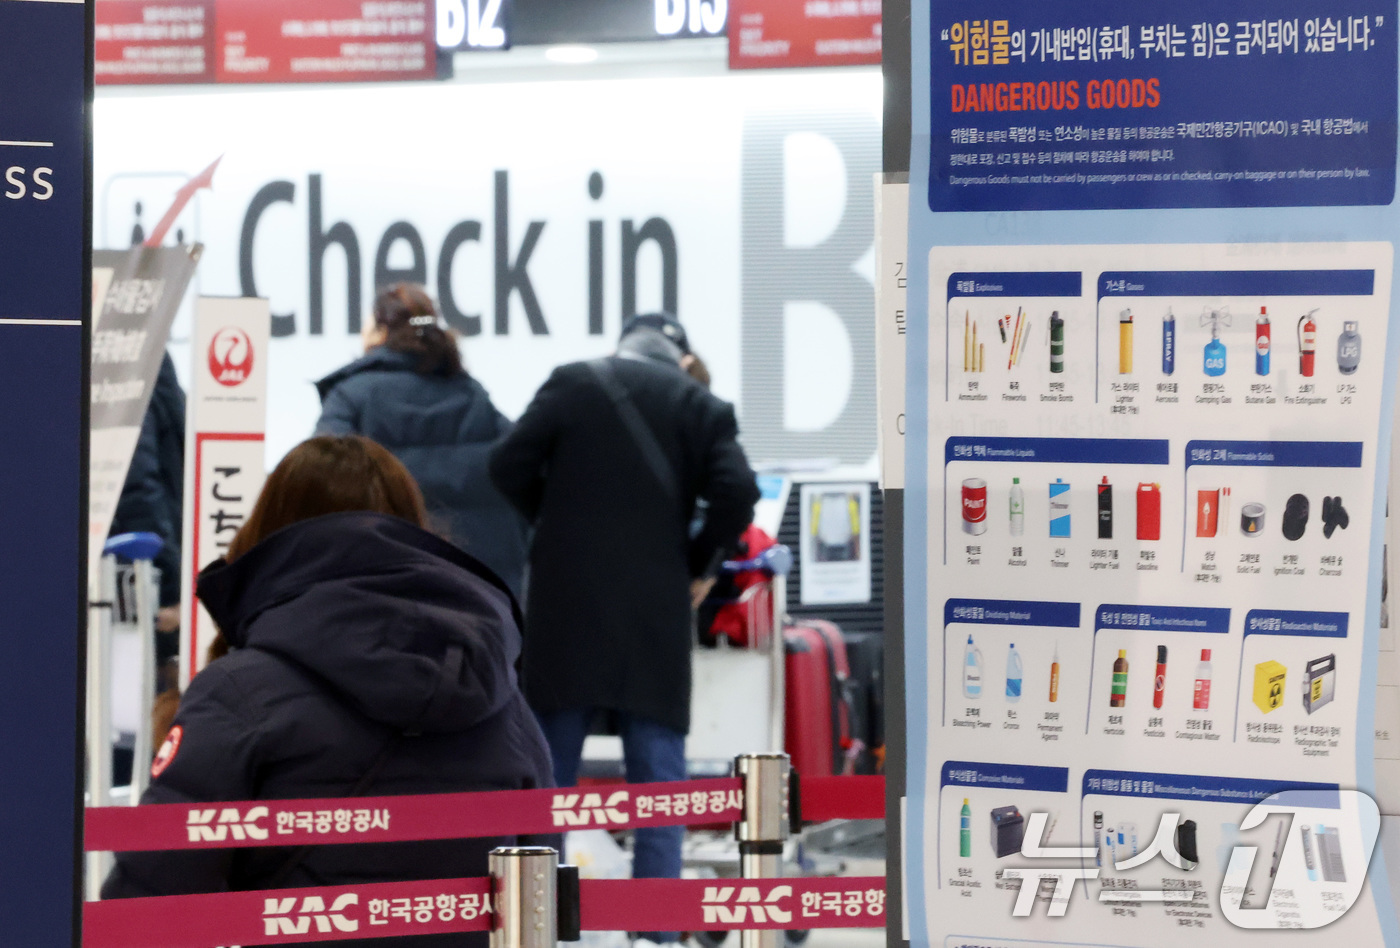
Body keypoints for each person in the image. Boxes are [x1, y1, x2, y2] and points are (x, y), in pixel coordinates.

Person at [103, 435, 553, 948]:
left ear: (267, 534)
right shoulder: (498, 691)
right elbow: (536, 882)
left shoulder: (240, 692)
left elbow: (150, 900)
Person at [489, 313, 759, 947]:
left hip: (565, 606)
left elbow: (506, 465)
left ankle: (539, 924)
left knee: (549, 777)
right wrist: (696, 563)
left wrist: (552, 526)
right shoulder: (701, 406)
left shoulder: (570, 383)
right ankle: (657, 932)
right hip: (654, 612)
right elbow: (738, 491)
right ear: (682, 358)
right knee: (659, 783)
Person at [315, 283, 529, 597]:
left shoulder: (351, 398)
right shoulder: (474, 397)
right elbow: (523, 467)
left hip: (383, 591)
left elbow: (320, 475)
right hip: (479, 600)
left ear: (378, 331)